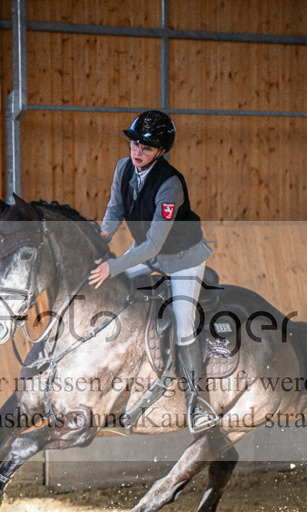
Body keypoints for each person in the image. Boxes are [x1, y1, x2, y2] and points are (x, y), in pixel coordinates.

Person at [87, 110, 218, 434]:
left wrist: (113, 265)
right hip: (149, 251)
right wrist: (103, 235)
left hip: (182, 258)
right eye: (134, 143)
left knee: (184, 323)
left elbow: (155, 245)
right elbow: (115, 208)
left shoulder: (170, 185)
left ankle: (196, 403)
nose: (136, 151)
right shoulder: (123, 167)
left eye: (145, 148)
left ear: (160, 151)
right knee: (114, 291)